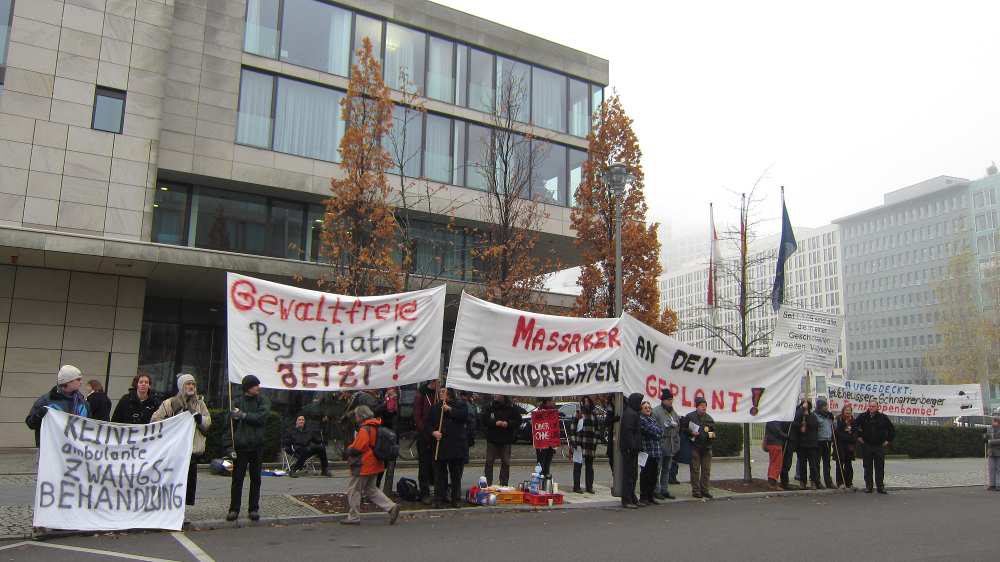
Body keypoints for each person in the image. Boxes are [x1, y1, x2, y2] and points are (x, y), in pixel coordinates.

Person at [150, 373, 211, 507]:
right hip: (175, 450)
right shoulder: (170, 403)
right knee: (173, 482)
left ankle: (182, 512)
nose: (191, 386)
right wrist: (170, 424)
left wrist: (200, 419)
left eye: (193, 384)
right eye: (188, 384)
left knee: (188, 484)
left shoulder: (200, 403)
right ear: (181, 386)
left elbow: (207, 422)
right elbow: (155, 420)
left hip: (192, 450)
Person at [341, 405, 401, 525]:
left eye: (357, 416)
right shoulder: (376, 425)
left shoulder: (365, 428)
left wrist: (349, 449)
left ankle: (353, 517)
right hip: (375, 463)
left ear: (361, 416)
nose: (356, 419)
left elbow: (359, 447)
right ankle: (391, 507)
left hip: (364, 464)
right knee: (371, 489)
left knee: (354, 490)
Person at [224, 375, 271, 521]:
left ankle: (254, 508)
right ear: (248, 387)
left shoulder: (263, 400)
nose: (259, 387)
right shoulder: (236, 402)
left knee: (256, 478)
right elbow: (228, 428)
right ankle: (234, 509)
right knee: (237, 479)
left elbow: (261, 418)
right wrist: (228, 446)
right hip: (241, 447)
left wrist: (243, 415)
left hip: (256, 446)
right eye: (256, 385)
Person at [425, 387, 469, 509]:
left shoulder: (461, 406)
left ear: (449, 395)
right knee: (439, 474)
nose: (440, 394)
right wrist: (433, 433)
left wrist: (450, 410)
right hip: (440, 445)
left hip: (455, 446)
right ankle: (439, 498)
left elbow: (464, 416)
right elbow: (427, 424)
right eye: (439, 392)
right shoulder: (434, 408)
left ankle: (456, 499)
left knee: (455, 474)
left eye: (443, 392)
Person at [25, 365, 90, 447]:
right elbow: (30, 424)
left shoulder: (83, 403)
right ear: (68, 381)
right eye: (78, 379)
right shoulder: (46, 401)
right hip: (52, 451)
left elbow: (89, 426)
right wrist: (37, 416)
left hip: (75, 451)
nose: (81, 382)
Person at [481, 394, 523, 486]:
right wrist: (494, 423)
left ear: (503, 395)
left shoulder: (512, 406)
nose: (494, 395)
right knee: (489, 462)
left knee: (505, 462)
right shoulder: (490, 406)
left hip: (506, 439)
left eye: (497, 393)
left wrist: (508, 423)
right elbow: (484, 419)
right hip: (492, 438)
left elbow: (519, 420)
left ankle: (504, 483)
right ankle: (487, 484)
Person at [855, 399, 895, 494]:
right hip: (867, 445)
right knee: (867, 466)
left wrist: (888, 440)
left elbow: (891, 430)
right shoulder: (863, 416)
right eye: (870, 406)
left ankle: (880, 487)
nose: (871, 408)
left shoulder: (883, 417)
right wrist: (858, 436)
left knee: (879, 467)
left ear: (878, 407)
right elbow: (854, 426)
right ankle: (869, 486)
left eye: (873, 406)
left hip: (879, 445)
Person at [681, 396, 716, 499]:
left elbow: (714, 430)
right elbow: (683, 428)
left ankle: (705, 489)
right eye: (702, 405)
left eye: (705, 406)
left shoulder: (709, 418)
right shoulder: (690, 417)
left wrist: (714, 435)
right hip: (695, 447)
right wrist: (691, 432)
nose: (704, 408)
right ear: (697, 407)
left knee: (706, 470)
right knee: (695, 470)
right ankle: (696, 490)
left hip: (707, 448)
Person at [413, 378, 439, 505]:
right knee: (424, 466)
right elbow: (417, 417)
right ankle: (425, 493)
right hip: (424, 435)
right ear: (432, 382)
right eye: (438, 382)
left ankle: (440, 492)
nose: (440, 385)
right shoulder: (420, 397)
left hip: (436, 434)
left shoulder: (438, 396)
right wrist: (425, 433)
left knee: (437, 465)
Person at [650, 389, 680, 500]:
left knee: (667, 468)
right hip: (660, 444)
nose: (670, 402)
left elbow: (678, 429)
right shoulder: (656, 412)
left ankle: (664, 489)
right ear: (663, 400)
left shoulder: (674, 413)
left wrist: (677, 442)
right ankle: (656, 490)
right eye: (668, 399)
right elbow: (653, 427)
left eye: (671, 399)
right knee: (657, 468)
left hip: (671, 444)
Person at [569, 395, 600, 494]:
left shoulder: (593, 414)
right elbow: (573, 429)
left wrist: (596, 438)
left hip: (590, 444)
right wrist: (574, 442)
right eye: (585, 401)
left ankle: (589, 486)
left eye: (588, 401)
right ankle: (576, 486)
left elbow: (597, 428)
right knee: (578, 466)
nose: (586, 403)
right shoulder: (578, 413)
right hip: (580, 444)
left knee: (590, 467)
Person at [618, 392, 643, 509]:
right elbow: (628, 432)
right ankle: (626, 500)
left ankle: (632, 498)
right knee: (629, 475)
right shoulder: (630, 414)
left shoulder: (633, 413)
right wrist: (632, 446)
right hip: (629, 449)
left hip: (632, 448)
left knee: (633, 475)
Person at [638, 401, 664, 505]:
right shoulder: (642, 420)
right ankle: (643, 496)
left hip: (656, 452)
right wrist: (657, 433)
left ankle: (650, 496)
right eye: (645, 408)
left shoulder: (653, 420)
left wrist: (657, 433)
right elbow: (651, 431)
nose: (648, 409)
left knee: (654, 475)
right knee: (646, 475)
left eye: (649, 407)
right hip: (647, 451)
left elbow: (661, 432)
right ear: (641, 410)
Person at [794, 400, 821, 489]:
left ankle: (813, 481)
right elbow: (794, 426)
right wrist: (800, 429)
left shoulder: (812, 415)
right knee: (802, 464)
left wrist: (807, 416)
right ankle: (802, 481)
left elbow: (814, 424)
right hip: (801, 444)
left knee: (813, 464)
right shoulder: (798, 416)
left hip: (811, 444)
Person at [834, 405, 857, 489]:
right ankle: (840, 482)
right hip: (841, 444)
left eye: (849, 410)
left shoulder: (853, 420)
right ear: (843, 411)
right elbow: (837, 432)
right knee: (840, 463)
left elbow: (855, 431)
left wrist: (852, 437)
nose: (848, 412)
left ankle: (849, 482)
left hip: (849, 445)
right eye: (846, 410)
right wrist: (845, 437)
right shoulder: (839, 420)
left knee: (848, 464)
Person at [534, 397, 558, 477]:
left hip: (551, 443)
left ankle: (546, 484)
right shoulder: (540, 411)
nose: (554, 403)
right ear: (547, 401)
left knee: (547, 466)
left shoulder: (553, 412)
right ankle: (539, 483)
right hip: (542, 444)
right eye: (553, 401)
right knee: (541, 466)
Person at [763, 419, 790, 491]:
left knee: (773, 462)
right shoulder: (773, 421)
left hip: (774, 443)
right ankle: (773, 482)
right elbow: (777, 432)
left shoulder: (772, 420)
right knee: (776, 463)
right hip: (775, 444)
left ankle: (771, 481)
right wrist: (786, 436)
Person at [815, 399, 836, 489]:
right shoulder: (816, 416)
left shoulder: (828, 416)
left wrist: (834, 420)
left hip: (827, 441)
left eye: (827, 405)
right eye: (824, 406)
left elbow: (834, 427)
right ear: (820, 407)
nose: (826, 407)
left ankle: (828, 481)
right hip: (819, 441)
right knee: (817, 463)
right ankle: (817, 481)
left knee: (827, 463)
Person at [987, 417, 1000, 491]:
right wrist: (984, 434)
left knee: (999, 469)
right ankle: (992, 484)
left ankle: (999, 484)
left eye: (995, 421)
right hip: (991, 451)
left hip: (999, 451)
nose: (994, 423)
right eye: (993, 421)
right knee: (991, 468)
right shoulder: (990, 429)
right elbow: (987, 437)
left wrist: (990, 442)